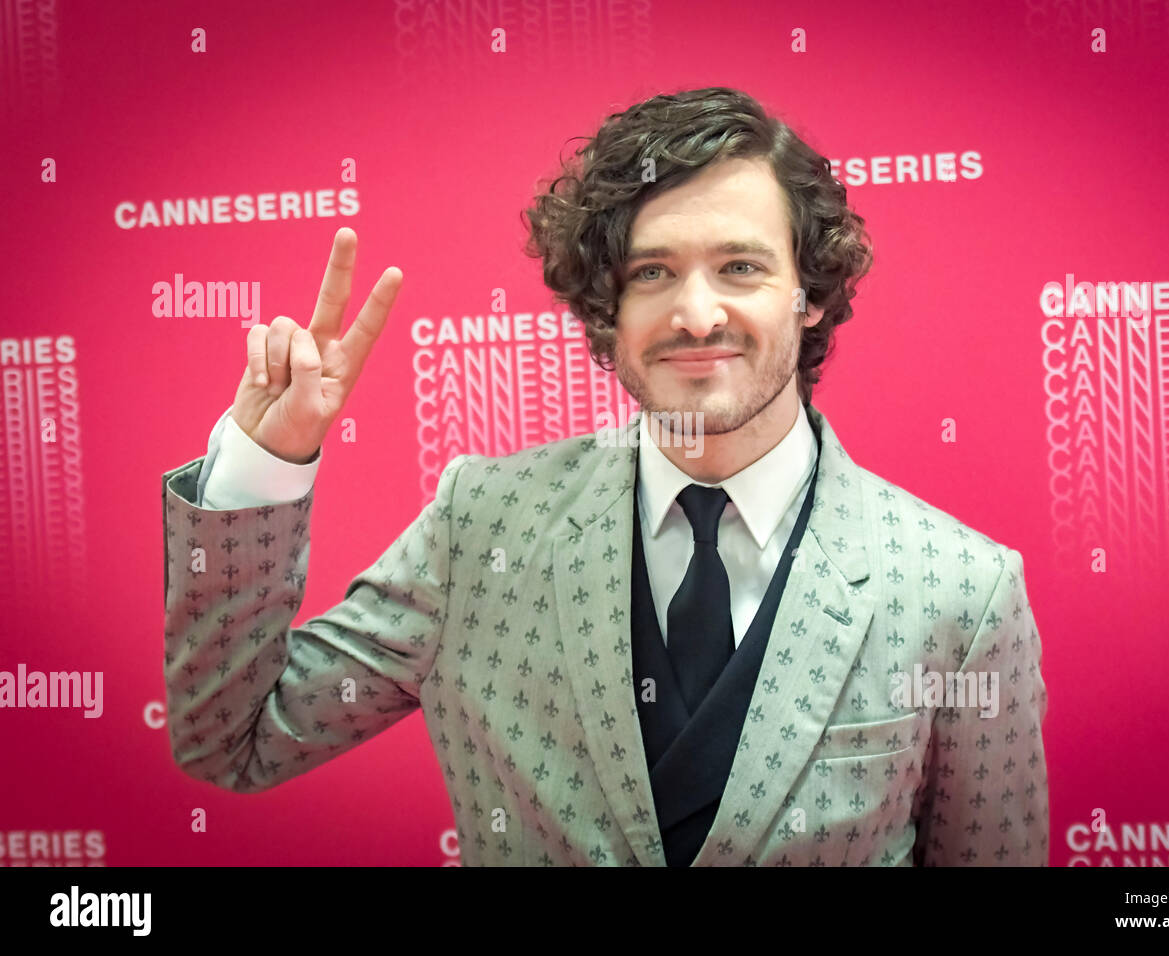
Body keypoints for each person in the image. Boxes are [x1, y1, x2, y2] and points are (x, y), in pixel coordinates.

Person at [161, 86, 1048, 866]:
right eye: (653, 272)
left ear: (808, 293)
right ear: (607, 309)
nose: (697, 315)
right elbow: (229, 739)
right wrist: (264, 467)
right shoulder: (483, 530)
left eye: (740, 266)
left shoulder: (959, 592)